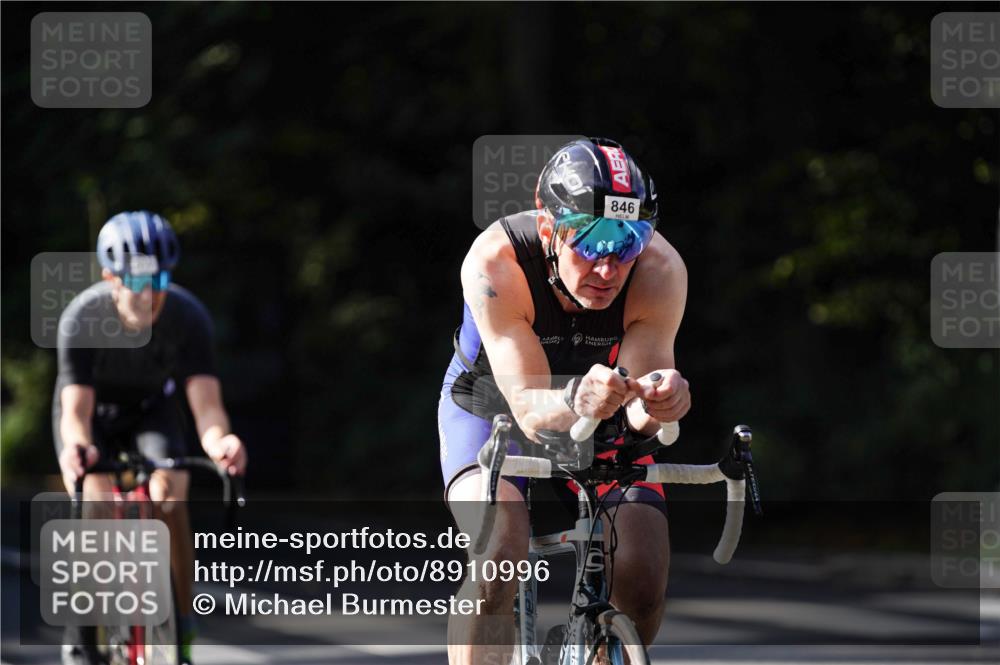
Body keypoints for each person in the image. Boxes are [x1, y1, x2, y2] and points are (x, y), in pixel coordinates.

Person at [439, 137, 691, 663]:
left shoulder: (660, 271)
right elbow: (530, 408)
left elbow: (638, 418)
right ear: (549, 226)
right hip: (494, 408)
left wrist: (659, 402)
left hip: (600, 406)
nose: (608, 267)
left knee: (643, 577)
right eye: (592, 240)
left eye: (628, 241)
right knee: (498, 560)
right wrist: (580, 394)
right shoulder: (495, 262)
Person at [54, 211, 248, 665]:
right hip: (90, 416)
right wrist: (79, 451)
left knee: (170, 496)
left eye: (160, 278)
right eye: (138, 281)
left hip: (149, 412)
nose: (150, 294)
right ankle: (84, 635)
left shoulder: (188, 316)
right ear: (111, 278)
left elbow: (206, 406)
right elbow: (75, 411)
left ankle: (180, 622)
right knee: (97, 502)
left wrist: (221, 441)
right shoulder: (81, 317)